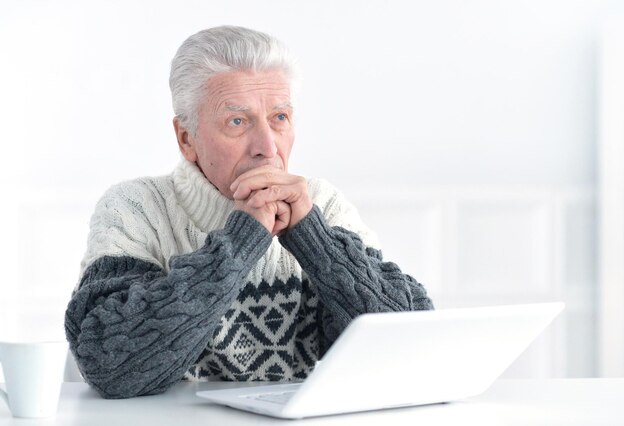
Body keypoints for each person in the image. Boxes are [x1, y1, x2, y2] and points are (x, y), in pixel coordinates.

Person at [64, 25, 434, 399]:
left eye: (280, 118)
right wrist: (242, 239)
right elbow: (112, 367)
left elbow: (412, 349)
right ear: (186, 139)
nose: (267, 147)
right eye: (238, 122)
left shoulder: (324, 206)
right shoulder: (136, 208)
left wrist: (314, 238)